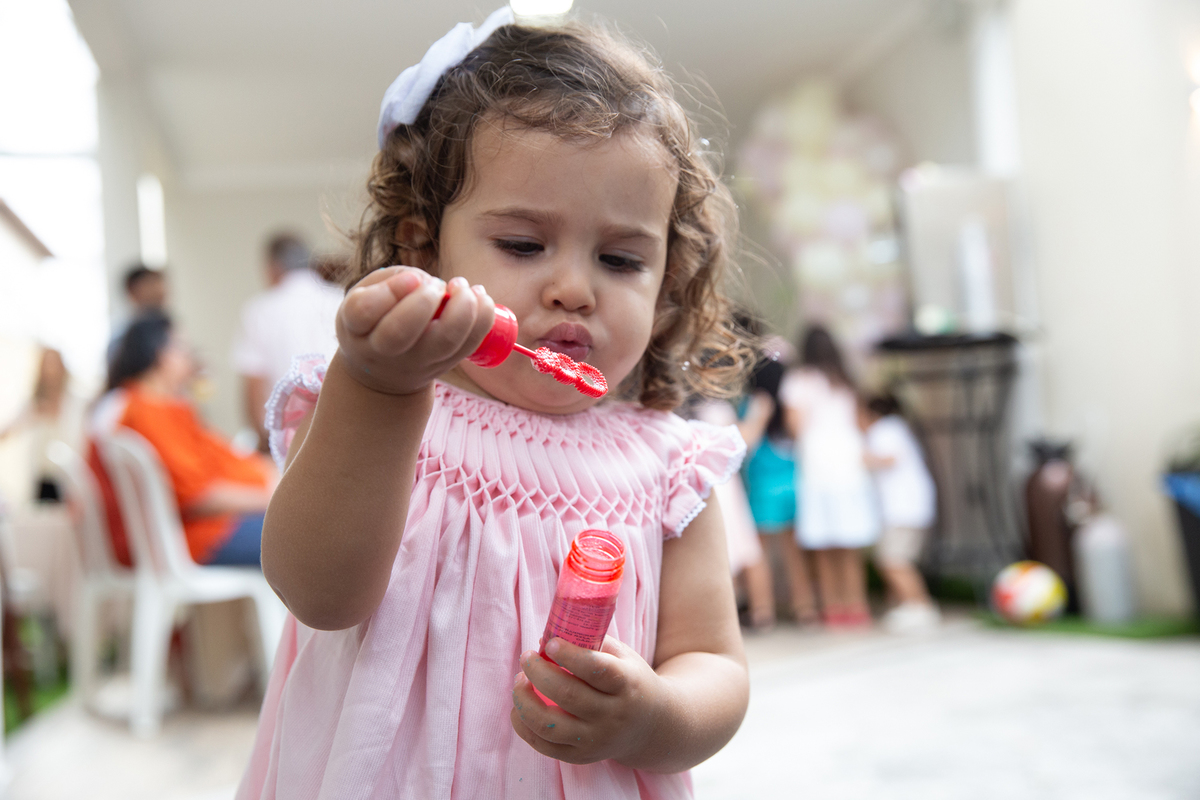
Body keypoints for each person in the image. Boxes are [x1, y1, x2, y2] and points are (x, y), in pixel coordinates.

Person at [236, 10, 754, 799]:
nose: (574, 288)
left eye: (620, 259)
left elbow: (715, 663)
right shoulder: (377, 410)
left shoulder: (670, 465)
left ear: (669, 280)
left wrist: (655, 716)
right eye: (522, 245)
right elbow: (319, 594)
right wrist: (378, 387)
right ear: (423, 249)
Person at [99, 313, 275, 566]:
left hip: (201, 531)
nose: (190, 357)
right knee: (302, 531)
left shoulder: (160, 407)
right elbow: (198, 496)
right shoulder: (148, 411)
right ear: (157, 353)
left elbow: (220, 459)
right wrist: (275, 499)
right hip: (198, 538)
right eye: (181, 347)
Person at [780, 325, 879, 628]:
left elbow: (795, 427)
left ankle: (834, 608)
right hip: (850, 468)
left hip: (819, 469)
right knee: (850, 545)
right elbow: (864, 424)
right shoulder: (846, 381)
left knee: (824, 544)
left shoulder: (799, 381)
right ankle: (857, 606)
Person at [230, 232, 343, 451]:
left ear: (273, 267)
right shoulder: (340, 299)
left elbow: (253, 382)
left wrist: (264, 443)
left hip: (286, 439)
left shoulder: (260, 310)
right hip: (340, 429)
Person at [741, 353, 820, 626]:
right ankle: (805, 608)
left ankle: (763, 612)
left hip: (763, 485)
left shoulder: (756, 403)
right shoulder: (790, 405)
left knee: (758, 551)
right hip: (792, 482)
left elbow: (746, 442)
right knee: (793, 552)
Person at [860, 393, 940, 633]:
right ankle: (908, 606)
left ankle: (920, 606)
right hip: (910, 507)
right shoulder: (898, 428)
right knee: (897, 559)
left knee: (894, 560)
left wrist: (861, 458)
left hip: (903, 508)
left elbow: (889, 459)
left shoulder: (885, 429)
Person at [0, 347, 84, 503]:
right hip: (42, 476)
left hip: (70, 477)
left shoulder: (75, 402)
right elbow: (8, 430)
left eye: (54, 364)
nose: (51, 370)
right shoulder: (34, 404)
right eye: (47, 364)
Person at [106, 263, 168, 368]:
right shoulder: (123, 337)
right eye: (151, 284)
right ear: (132, 291)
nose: (160, 291)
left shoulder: (168, 331)